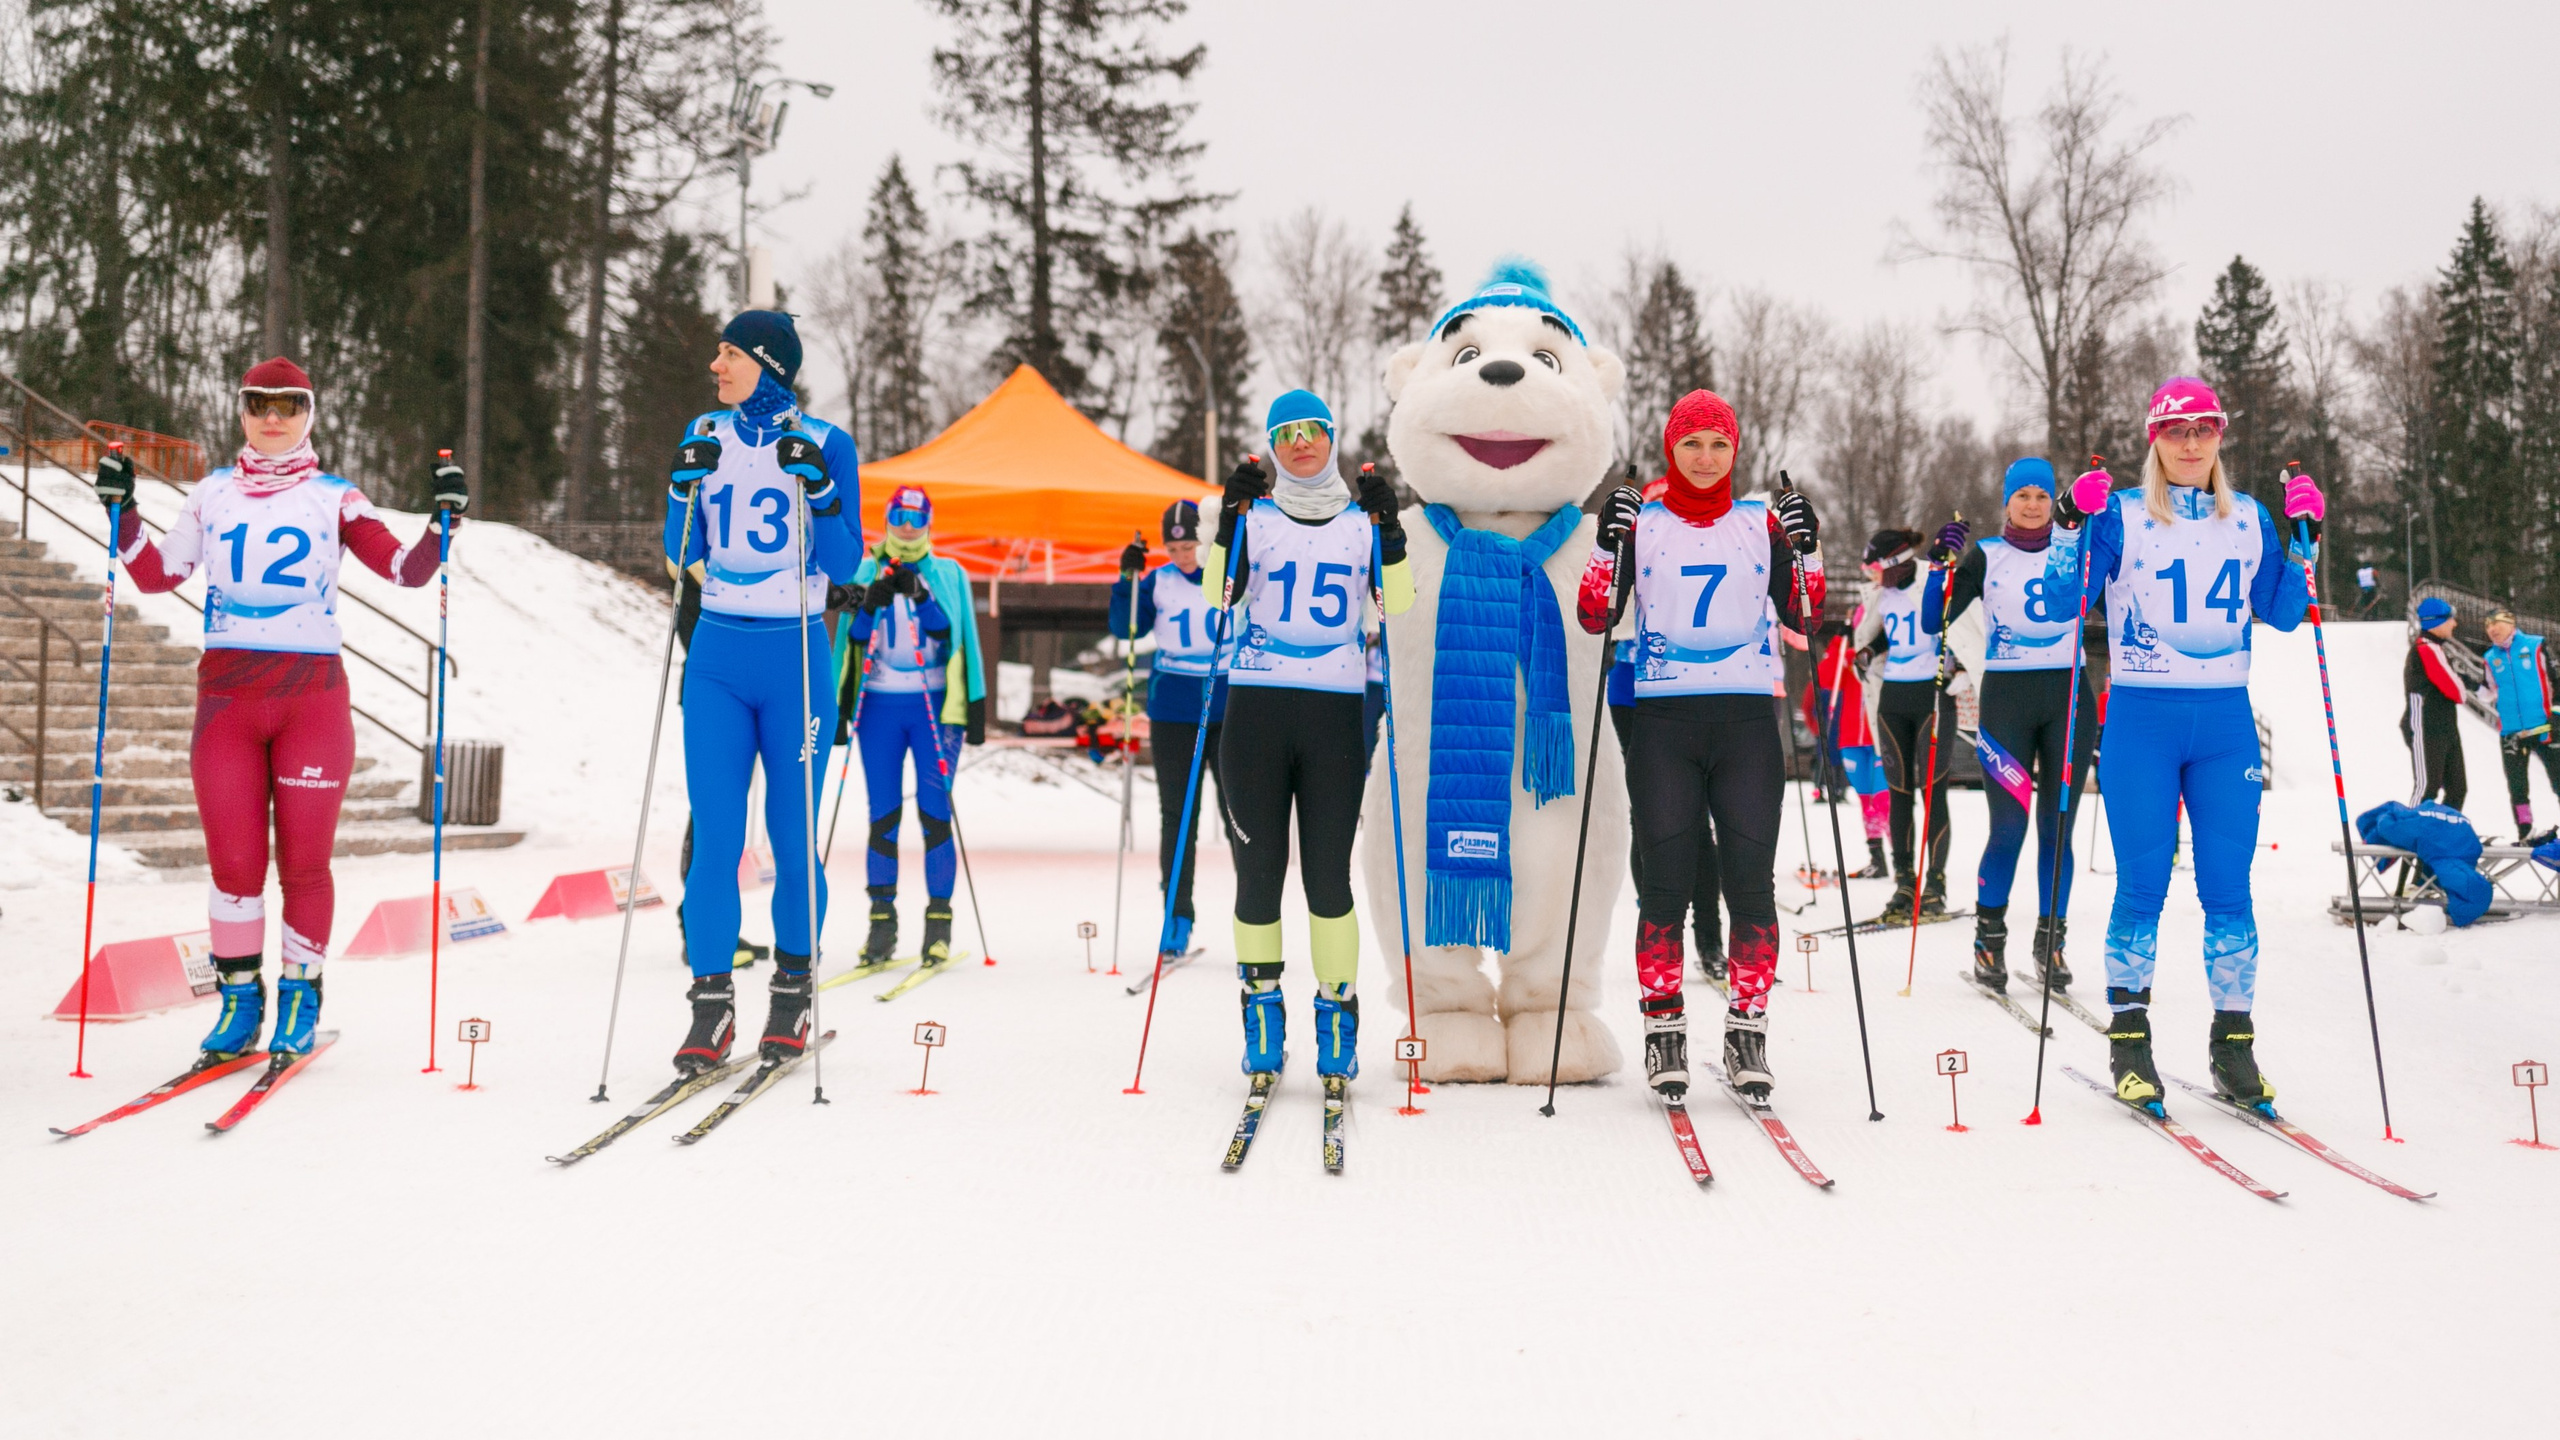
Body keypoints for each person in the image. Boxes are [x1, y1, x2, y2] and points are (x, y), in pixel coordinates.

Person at [99, 356, 463, 1060]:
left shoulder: (336, 497)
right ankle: (241, 1002)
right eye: (259, 403)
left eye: (289, 405)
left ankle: (301, 997)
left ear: (309, 415)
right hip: (228, 701)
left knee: (303, 865)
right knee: (233, 866)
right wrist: (124, 511)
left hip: (310, 703)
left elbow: (404, 571)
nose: (273, 417)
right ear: (241, 412)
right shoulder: (211, 493)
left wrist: (443, 523)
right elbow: (155, 574)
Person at [2055, 376, 2315, 1116]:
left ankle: (2234, 1045)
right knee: (2143, 884)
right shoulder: (2125, 515)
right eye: (2176, 430)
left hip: (2224, 721)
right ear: (2155, 440)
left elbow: (2287, 612)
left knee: (2228, 891)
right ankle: (2129, 1040)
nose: (2192, 442)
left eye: (2204, 428)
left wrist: (2304, 544)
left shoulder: (2250, 518)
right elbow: (2070, 596)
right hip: (2142, 718)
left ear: (2221, 436)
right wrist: (2074, 522)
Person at [1579, 389, 1823, 1101]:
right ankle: (1664, 1030)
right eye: (1692, 443)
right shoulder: (1642, 523)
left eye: (1719, 444)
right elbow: (1596, 616)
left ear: (1735, 450)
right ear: (1670, 449)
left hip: (1747, 723)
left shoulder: (1760, 523)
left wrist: (1807, 549)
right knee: (1665, 886)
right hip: (1664, 724)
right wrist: (1604, 542)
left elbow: (1806, 619)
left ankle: (1748, 1028)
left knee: (1752, 886)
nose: (1707, 457)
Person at [665, 311, 861, 1074]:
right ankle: (709, 1010)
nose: (716, 363)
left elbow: (845, 563)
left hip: (796, 656)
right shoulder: (703, 430)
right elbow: (677, 549)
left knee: (789, 833)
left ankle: (792, 992)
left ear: (767, 363)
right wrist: (683, 491)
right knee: (717, 836)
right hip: (716, 651)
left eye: (729, 352)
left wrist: (822, 492)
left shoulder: (828, 441)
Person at [1204, 389, 1412, 1086]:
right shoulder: (1254, 517)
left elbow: (1400, 604)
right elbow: (1216, 596)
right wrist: (1227, 525)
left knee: (1328, 879)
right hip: (1256, 712)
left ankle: (1335, 1017)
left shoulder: (1358, 521)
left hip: (1332, 716)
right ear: (1272, 445)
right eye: (1285, 434)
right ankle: (1261, 1014)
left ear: (1330, 438)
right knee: (1258, 877)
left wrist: (1390, 533)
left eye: (1312, 432)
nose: (1300, 444)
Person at [1922, 457, 2097, 995]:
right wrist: (1940, 568)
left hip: (2068, 696)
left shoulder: (2078, 548)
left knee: (2058, 826)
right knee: (2009, 827)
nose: (2032, 505)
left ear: (2054, 502)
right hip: (2008, 699)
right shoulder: (1987, 556)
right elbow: (1935, 621)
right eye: (2022, 496)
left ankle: (2052, 939)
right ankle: (1989, 936)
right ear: (2006, 502)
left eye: (2042, 497)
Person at [845, 484, 988, 970]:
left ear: (928, 523)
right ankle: (881, 925)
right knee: (882, 814)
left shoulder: (947, 572)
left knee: (933, 811)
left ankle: (938, 925)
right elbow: (854, 638)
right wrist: (870, 602)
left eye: (916, 520)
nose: (907, 529)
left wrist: (922, 598)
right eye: (899, 519)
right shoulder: (866, 569)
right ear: (887, 520)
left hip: (933, 706)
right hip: (880, 704)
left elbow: (953, 633)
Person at [1109, 499, 1233, 965]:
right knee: (1178, 817)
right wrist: (1127, 580)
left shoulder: (1224, 573)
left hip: (1225, 705)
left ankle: (1252, 917)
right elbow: (1124, 629)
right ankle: (1176, 916)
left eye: (1190, 544)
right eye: (1175, 546)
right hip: (1173, 708)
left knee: (1236, 813)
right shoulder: (1157, 581)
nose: (1184, 554)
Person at [1857, 527, 1956, 922]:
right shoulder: (1883, 594)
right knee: (1898, 791)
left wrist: (1960, 667)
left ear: (1897, 563)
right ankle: (1904, 882)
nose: (1874, 577)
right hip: (1893, 697)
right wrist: (1867, 650)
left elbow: (1962, 631)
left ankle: (1935, 884)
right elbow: (1885, 637)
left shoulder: (1935, 579)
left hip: (1932, 696)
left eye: (1878, 568)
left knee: (1933, 791)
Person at [1807, 614, 1890, 878]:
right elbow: (1825, 677)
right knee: (1866, 801)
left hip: (1880, 737)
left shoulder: (1883, 653)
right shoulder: (1847, 655)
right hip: (1851, 739)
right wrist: (1838, 642)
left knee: (1884, 801)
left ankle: (1903, 860)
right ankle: (1877, 858)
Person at [2481, 608, 2560, 842]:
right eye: (2487, 626)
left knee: (2558, 780)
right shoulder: (2489, 657)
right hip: (2512, 732)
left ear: (2511, 623)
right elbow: (2486, 692)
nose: (2492, 629)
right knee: (2517, 787)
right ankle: (2525, 830)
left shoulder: (2536, 645)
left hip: (2545, 726)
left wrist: (2556, 715)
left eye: (2496, 623)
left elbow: (2557, 680)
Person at [2403, 596, 2469, 811]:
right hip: (2426, 726)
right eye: (2450, 619)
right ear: (2437, 622)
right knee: (2427, 787)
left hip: (2444, 726)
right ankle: (2410, 830)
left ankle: (2443, 830)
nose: (2454, 624)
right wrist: (2464, 684)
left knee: (2458, 787)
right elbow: (2457, 691)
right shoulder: (2426, 648)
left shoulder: (2436, 648)